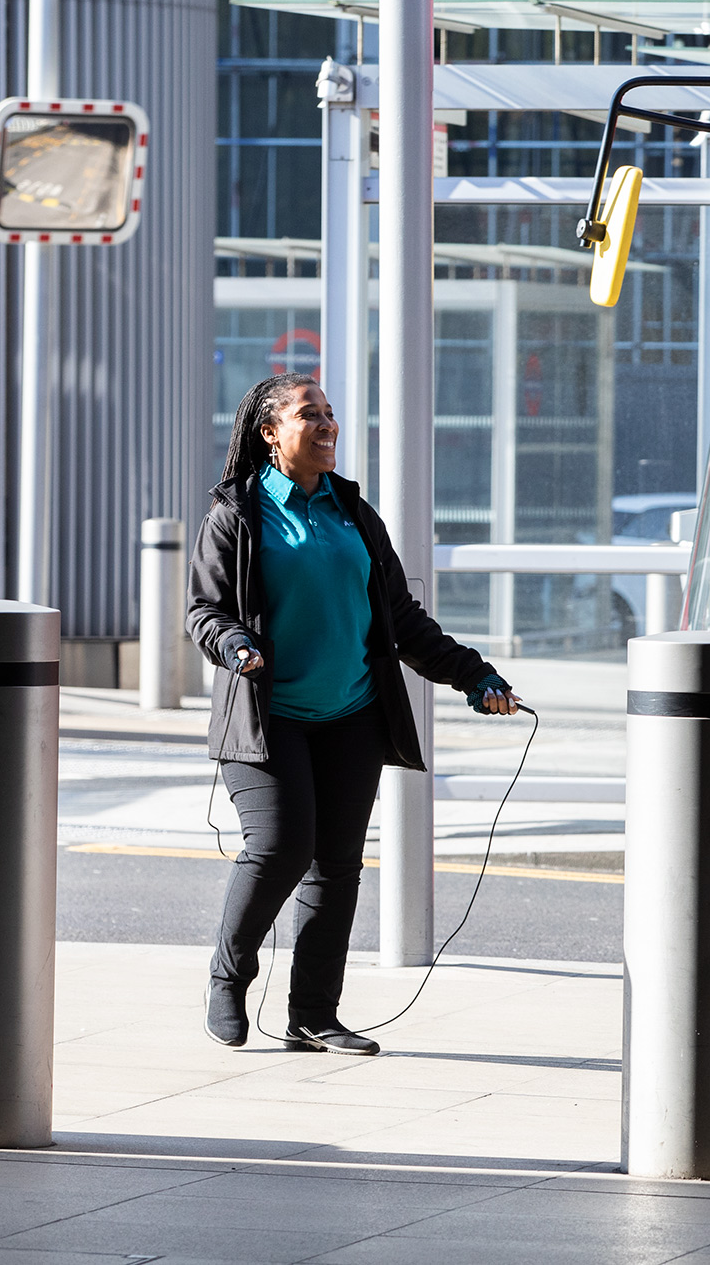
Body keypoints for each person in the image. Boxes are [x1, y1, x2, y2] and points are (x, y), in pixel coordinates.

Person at [188, 374, 520, 1056]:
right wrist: (235, 643)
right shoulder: (237, 513)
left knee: (336, 865)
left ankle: (313, 1014)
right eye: (309, 414)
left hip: (352, 715)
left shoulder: (353, 512)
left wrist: (474, 674)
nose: (327, 424)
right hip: (269, 715)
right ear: (271, 432)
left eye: (330, 413)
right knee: (280, 845)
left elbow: (401, 619)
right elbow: (204, 610)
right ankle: (228, 976)